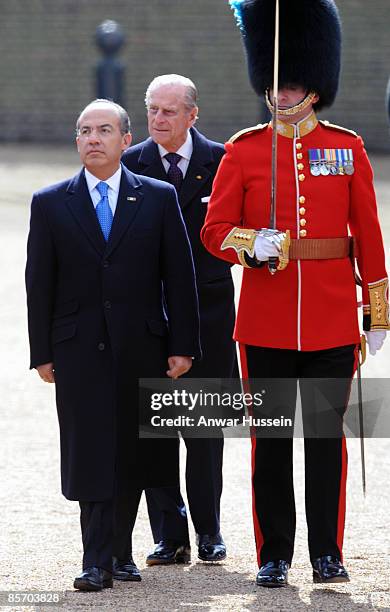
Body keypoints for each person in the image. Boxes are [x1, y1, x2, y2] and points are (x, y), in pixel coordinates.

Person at [201, 0, 389, 588]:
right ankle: (274, 553)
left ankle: (327, 552)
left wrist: (377, 311)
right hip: (266, 322)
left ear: (313, 87)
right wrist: (250, 243)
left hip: (333, 320)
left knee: (327, 442)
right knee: (272, 443)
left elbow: (370, 238)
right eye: (275, 84)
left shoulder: (347, 148)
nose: (281, 94)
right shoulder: (245, 150)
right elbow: (213, 232)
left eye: (292, 85)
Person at [25, 99, 201, 591]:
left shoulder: (159, 197)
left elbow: (179, 278)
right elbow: (39, 284)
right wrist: (42, 352)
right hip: (78, 350)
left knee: (134, 452)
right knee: (91, 451)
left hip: (142, 345)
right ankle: (96, 559)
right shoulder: (51, 201)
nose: (93, 139)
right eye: (84, 131)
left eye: (104, 130)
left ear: (127, 141)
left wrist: (183, 344)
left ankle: (120, 552)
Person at [122, 74, 237, 564]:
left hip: (208, 311)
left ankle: (209, 531)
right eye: (152, 110)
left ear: (194, 114)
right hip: (150, 314)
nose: (159, 119)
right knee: (157, 431)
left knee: (205, 431)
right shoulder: (131, 163)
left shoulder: (223, 162)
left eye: (170, 111)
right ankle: (170, 534)